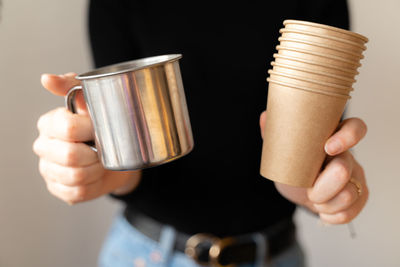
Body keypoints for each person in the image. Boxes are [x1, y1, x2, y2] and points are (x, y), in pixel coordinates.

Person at [33, 0, 369, 266]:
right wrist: (96, 168)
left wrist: (322, 187)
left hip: (275, 257)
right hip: (145, 255)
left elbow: (315, 153)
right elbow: (128, 142)